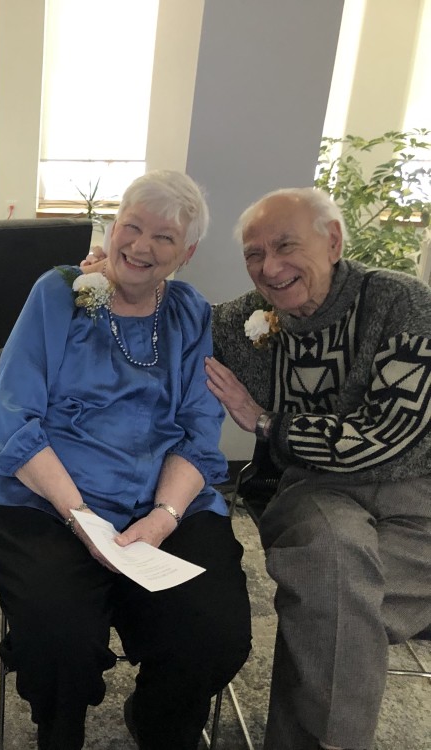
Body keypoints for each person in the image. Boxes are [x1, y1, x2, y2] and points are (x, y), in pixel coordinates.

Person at [0, 170, 252, 750]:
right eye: (132, 227)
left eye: (164, 237)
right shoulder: (60, 293)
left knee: (214, 633)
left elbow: (199, 430)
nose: (141, 246)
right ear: (112, 227)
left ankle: (157, 721)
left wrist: (163, 518)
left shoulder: (191, 312)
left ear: (187, 253)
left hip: (165, 500)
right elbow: (12, 419)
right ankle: (60, 733)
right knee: (59, 636)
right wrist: (82, 519)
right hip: (47, 500)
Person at [205, 187, 431, 750]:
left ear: (333, 241)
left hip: (417, 492)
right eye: (254, 254)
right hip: (316, 489)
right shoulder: (248, 319)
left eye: (285, 246)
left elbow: (386, 437)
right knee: (331, 572)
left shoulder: (403, 303)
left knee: (330, 604)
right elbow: (175, 324)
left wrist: (267, 422)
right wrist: (112, 277)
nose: (269, 267)